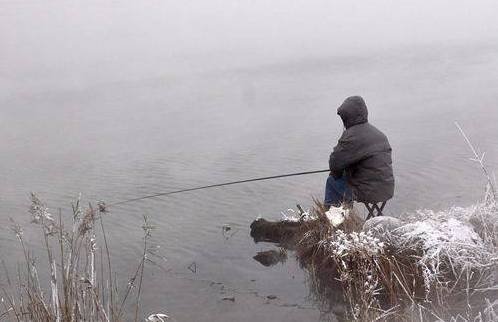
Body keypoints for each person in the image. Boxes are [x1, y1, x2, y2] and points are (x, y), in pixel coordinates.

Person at [325, 96, 394, 209]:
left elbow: (334, 164)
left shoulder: (351, 136)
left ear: (346, 117)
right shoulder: (379, 134)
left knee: (332, 181)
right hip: (386, 189)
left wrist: (336, 174)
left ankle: (334, 219)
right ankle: (345, 216)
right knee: (342, 178)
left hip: (368, 192)